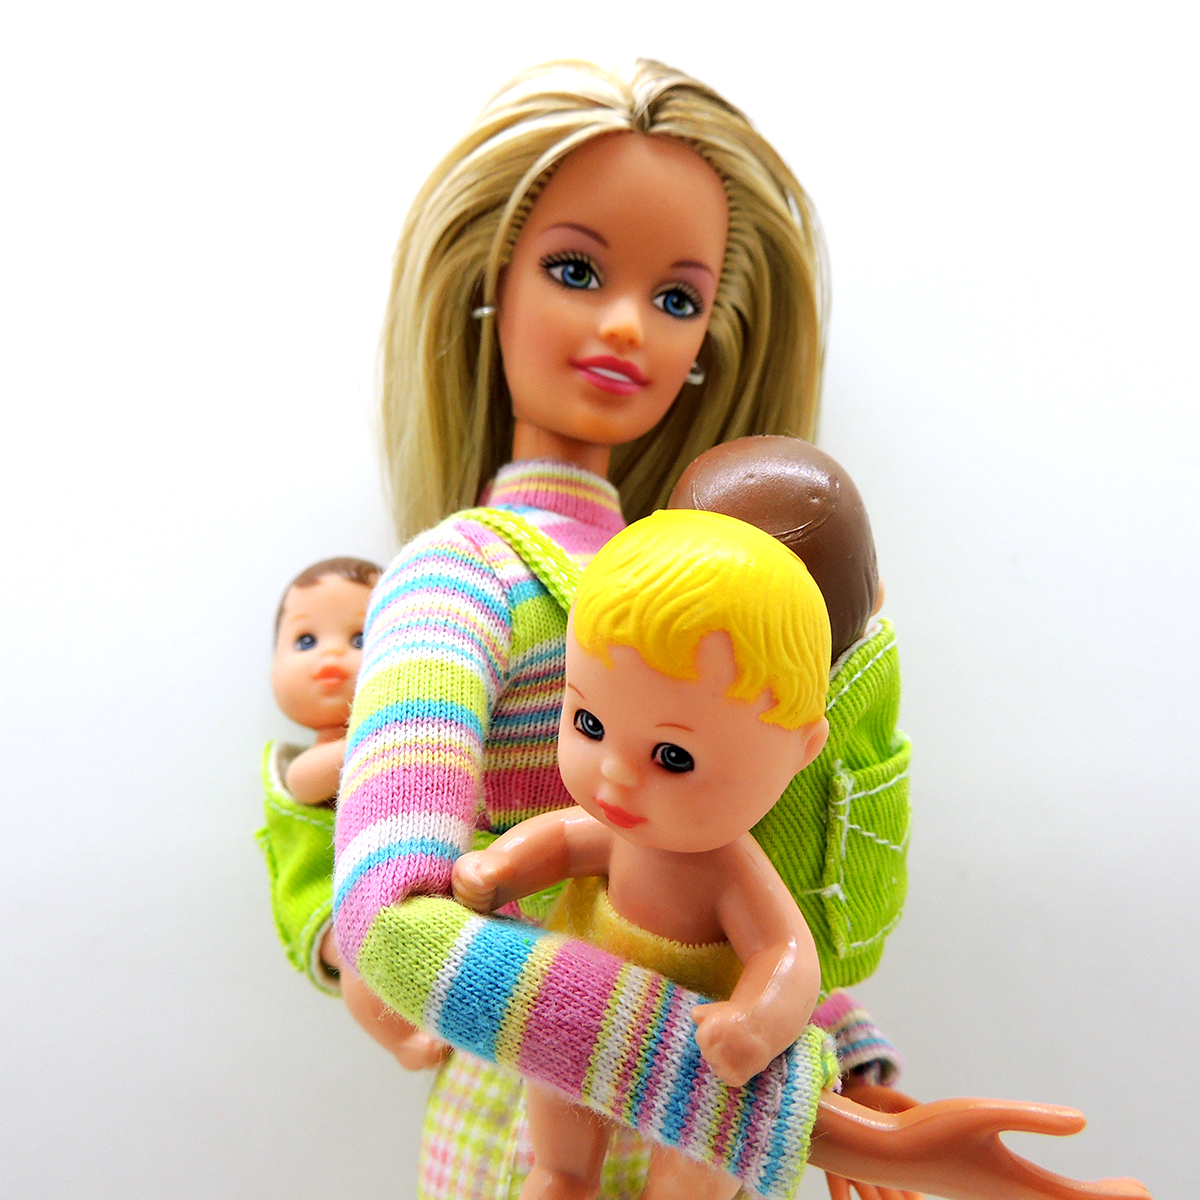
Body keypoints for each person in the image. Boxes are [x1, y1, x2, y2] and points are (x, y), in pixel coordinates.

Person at [271, 58, 1147, 1199]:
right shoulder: (457, 577)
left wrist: (848, 1052)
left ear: (708, 347)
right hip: (537, 1120)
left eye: (677, 299)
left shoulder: (698, 575)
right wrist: (819, 1123)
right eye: (576, 271)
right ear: (491, 286)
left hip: (724, 1133)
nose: (625, 325)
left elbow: (732, 852)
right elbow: (400, 930)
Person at [451, 509, 833, 1199]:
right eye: (589, 723)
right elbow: (563, 839)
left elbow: (786, 955)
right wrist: (500, 867)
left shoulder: (729, 872)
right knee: (557, 1093)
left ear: (799, 750)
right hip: (584, 1000)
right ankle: (563, 1175)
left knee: (704, 1145)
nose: (616, 775)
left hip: (690, 1045)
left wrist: (754, 1021)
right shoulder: (620, 829)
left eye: (673, 756)